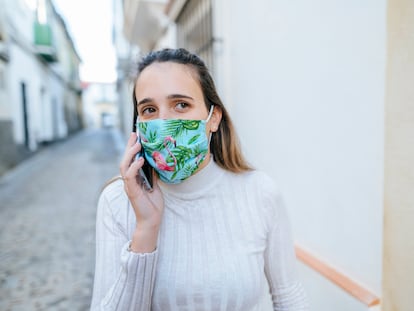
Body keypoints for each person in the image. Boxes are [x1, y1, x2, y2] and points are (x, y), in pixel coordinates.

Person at [90, 48, 308, 311]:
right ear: (138, 124)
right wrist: (146, 228)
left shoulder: (260, 193)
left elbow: (289, 298)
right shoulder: (117, 202)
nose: (164, 122)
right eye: (149, 109)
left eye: (181, 105)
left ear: (213, 118)